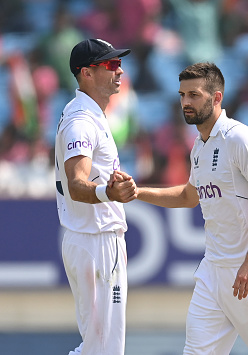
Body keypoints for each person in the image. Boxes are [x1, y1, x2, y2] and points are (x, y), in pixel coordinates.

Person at [129, 62, 248, 355]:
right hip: (213, 272)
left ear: (216, 98)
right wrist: (138, 192)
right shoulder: (199, 147)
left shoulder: (239, 138)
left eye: (194, 95)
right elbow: (190, 196)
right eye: (182, 95)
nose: (185, 102)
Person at [54, 38, 138, 355]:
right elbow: (77, 185)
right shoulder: (81, 121)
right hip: (97, 240)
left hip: (92, 238)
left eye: (119, 64)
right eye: (111, 65)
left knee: (98, 346)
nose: (119, 71)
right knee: (105, 349)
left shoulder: (90, 114)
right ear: (86, 73)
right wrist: (108, 191)